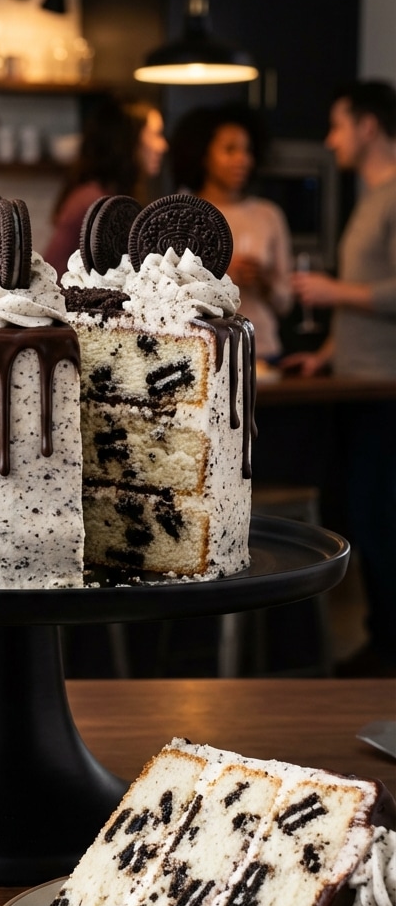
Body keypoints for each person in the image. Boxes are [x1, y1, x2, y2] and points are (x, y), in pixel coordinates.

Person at [283, 79, 396, 676]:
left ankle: (389, 650)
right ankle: (382, 641)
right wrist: (327, 350)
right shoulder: (372, 195)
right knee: (367, 513)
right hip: (357, 379)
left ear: (368, 126)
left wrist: (332, 292)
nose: (331, 140)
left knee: (382, 519)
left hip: (385, 388)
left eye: (338, 125)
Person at [170, 105, 293, 361]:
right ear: (203, 155)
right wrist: (219, 278)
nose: (243, 160)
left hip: (262, 350)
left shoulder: (268, 215)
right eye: (230, 150)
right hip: (202, 353)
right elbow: (166, 298)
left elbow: (286, 303)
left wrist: (265, 282)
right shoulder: (182, 215)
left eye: (247, 150)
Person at [44, 99, 166, 278]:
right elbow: (52, 274)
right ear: (127, 140)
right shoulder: (93, 202)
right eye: (155, 134)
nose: (162, 145)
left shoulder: (101, 196)